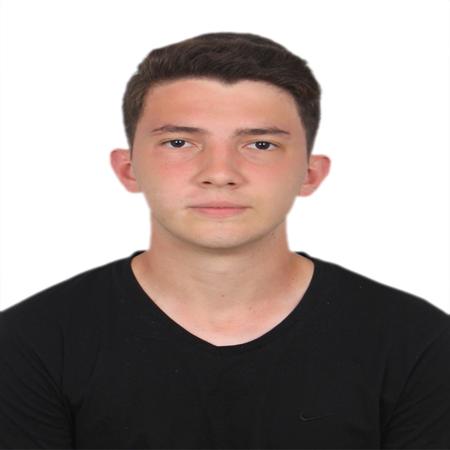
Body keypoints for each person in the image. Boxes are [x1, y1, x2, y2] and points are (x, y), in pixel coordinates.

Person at [0, 32, 449, 450]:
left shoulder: (420, 344)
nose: (219, 173)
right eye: (179, 142)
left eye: (260, 145)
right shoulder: (27, 344)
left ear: (311, 173)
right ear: (128, 169)